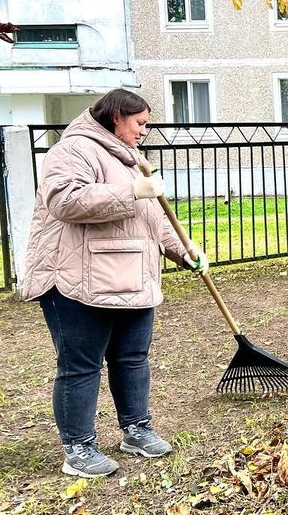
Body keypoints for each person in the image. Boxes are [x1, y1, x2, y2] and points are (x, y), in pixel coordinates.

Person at [19, 89, 208, 478]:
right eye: (139, 123)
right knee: (80, 366)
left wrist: (184, 250)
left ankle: (136, 429)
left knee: (132, 357)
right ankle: (79, 448)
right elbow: (65, 201)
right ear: (117, 116)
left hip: (129, 275)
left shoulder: (131, 159)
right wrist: (131, 190)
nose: (144, 131)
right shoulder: (72, 150)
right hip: (75, 278)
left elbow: (152, 219)